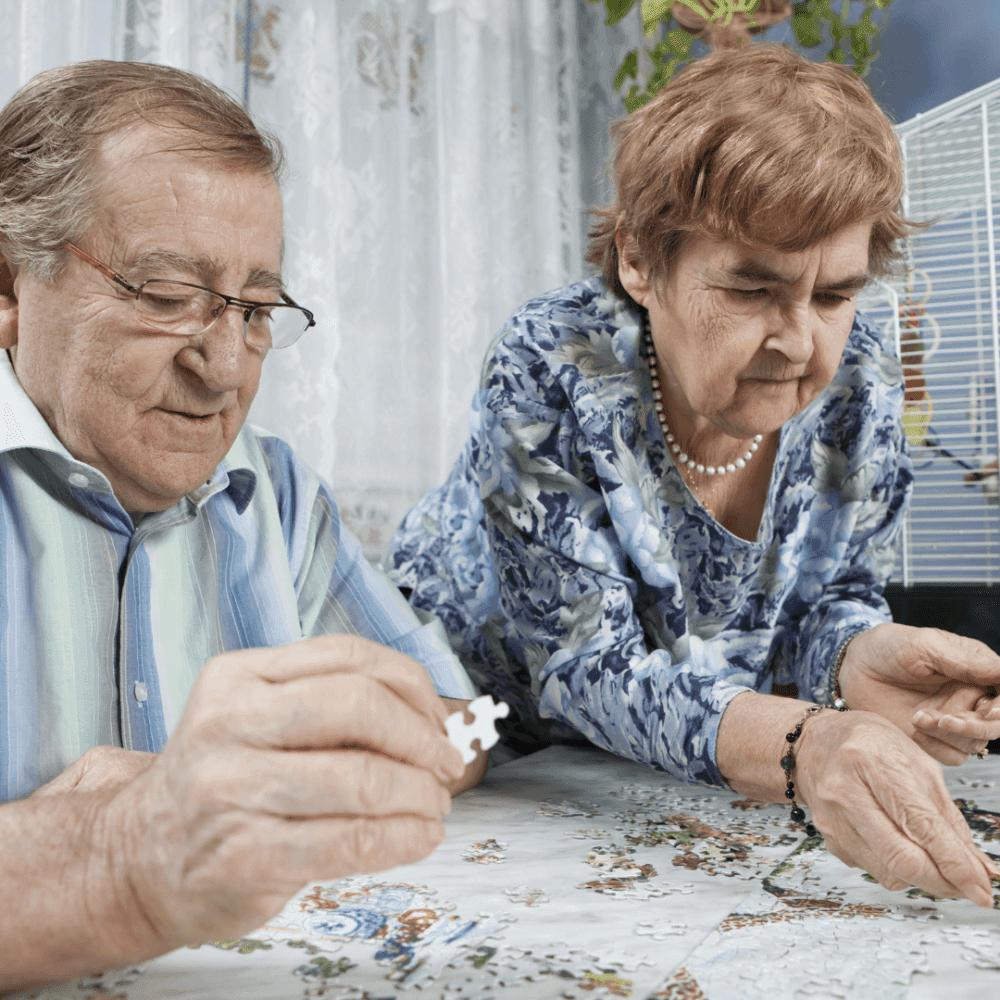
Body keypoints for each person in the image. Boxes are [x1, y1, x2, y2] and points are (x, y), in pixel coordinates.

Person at [388, 44, 1000, 908]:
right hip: (468, 726)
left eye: (832, 296)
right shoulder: (553, 360)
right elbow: (578, 664)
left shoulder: (860, 381)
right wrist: (800, 746)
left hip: (668, 751)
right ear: (641, 261)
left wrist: (861, 657)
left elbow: (827, 597)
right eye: (752, 290)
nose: (798, 340)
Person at [0, 61, 483, 993]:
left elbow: (461, 727)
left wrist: (333, 763)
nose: (223, 368)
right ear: (11, 285)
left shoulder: (275, 487)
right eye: (166, 292)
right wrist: (114, 851)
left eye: (256, 310)